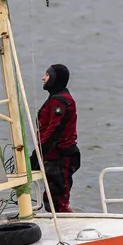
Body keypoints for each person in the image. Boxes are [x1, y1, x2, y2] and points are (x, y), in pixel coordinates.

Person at [33, 63, 80, 212]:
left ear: (54, 78)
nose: (43, 78)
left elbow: (55, 130)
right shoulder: (54, 98)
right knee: (51, 200)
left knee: (58, 201)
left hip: (61, 158)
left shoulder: (60, 100)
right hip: (54, 157)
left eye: (47, 75)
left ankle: (67, 223)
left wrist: (38, 153)